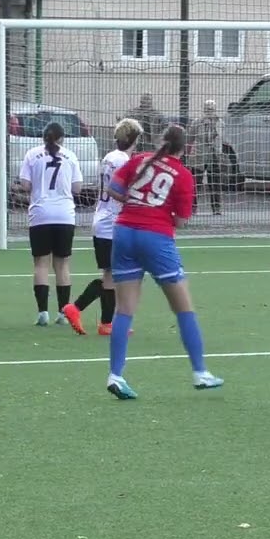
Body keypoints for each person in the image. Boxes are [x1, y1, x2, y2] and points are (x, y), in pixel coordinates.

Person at [103, 124, 224, 400]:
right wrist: (157, 212)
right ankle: (200, 372)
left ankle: (116, 375)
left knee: (124, 310)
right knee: (183, 307)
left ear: (161, 142)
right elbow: (180, 220)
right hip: (155, 237)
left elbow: (114, 189)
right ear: (186, 149)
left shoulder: (139, 160)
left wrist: (136, 203)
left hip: (123, 232)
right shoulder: (182, 175)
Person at [62, 118, 143, 336]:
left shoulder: (110, 156)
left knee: (112, 275)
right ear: (135, 138)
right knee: (114, 275)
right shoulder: (123, 161)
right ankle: (79, 309)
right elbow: (119, 190)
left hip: (103, 220)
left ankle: (105, 322)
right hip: (112, 224)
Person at [20, 121, 84, 326]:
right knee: (62, 264)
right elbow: (77, 188)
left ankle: (42, 313)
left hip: (40, 214)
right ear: (62, 138)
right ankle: (63, 313)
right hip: (64, 215)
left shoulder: (32, 154)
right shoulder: (70, 156)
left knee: (41, 263)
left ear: (43, 137)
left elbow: (25, 184)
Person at [187, 99, 226, 215]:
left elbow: (221, 138)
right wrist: (189, 153)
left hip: (214, 155)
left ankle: (216, 208)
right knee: (195, 182)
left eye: (212, 109)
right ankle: (192, 207)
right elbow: (190, 138)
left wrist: (220, 152)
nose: (210, 111)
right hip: (199, 155)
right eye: (207, 109)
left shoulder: (220, 123)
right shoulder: (197, 122)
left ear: (215, 110)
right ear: (204, 110)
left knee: (215, 183)